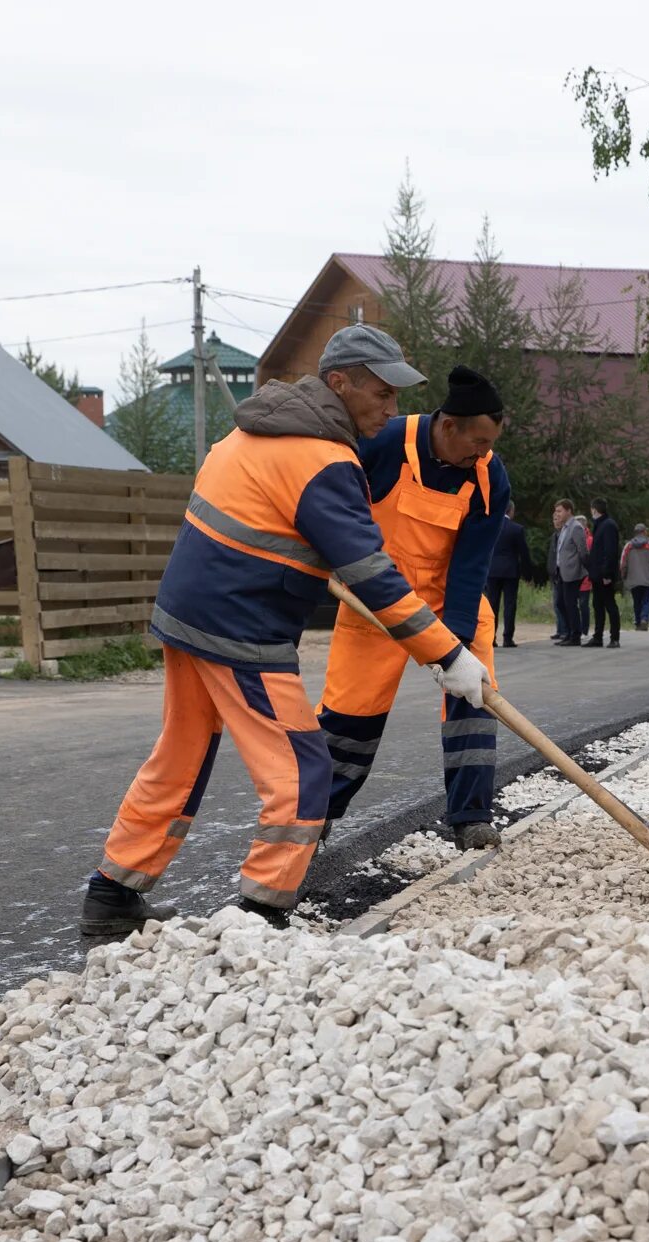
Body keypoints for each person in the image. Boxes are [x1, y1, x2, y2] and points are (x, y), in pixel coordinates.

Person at [82, 327, 489, 934]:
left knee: (180, 757)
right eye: (381, 393)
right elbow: (374, 577)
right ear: (339, 383)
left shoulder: (252, 431)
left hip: (189, 615)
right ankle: (260, 917)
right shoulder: (321, 459)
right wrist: (447, 654)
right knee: (303, 772)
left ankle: (111, 897)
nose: (391, 409)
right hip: (240, 629)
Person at [317, 366, 511, 854]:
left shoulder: (490, 478)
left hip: (450, 599)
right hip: (375, 599)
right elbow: (336, 504)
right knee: (348, 717)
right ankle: (312, 817)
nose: (483, 453)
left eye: (490, 443)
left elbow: (471, 567)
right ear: (448, 427)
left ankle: (471, 817)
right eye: (478, 441)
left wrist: (457, 647)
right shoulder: (384, 442)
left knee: (474, 703)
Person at [487, 500, 531, 648]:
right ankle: (507, 638)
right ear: (511, 511)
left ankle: (490, 637)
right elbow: (524, 553)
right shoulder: (517, 529)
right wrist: (527, 574)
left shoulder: (491, 526)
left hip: (492, 570)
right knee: (509, 604)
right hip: (510, 571)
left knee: (492, 605)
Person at [586, 498, 622, 647]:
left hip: (604, 574)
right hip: (597, 573)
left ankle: (614, 638)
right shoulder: (600, 525)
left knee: (609, 604)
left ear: (594, 509)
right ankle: (598, 636)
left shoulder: (608, 526)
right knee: (597, 605)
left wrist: (607, 574)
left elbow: (610, 551)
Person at [552, 500, 589, 645]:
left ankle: (575, 635)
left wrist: (585, 570)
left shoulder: (576, 527)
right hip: (562, 571)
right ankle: (568, 632)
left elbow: (583, 551)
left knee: (570, 603)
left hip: (573, 572)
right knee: (561, 602)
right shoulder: (564, 528)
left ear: (569, 511)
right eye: (556, 511)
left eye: (560, 511)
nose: (557, 514)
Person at [623, 522, 649, 630]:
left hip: (633, 579)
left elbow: (623, 563)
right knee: (646, 600)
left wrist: (625, 576)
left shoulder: (628, 546)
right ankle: (644, 619)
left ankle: (637, 622)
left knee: (636, 601)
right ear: (644, 532)